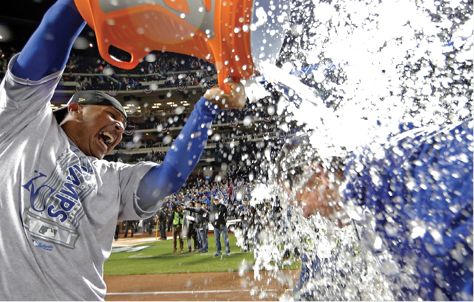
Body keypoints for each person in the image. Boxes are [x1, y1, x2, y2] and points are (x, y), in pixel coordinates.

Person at [0, 0, 246, 299]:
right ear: (75, 108)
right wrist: (84, 4)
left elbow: (168, 178)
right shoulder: (23, 124)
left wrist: (205, 110)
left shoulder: (114, 177)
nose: (119, 128)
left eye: (124, 125)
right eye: (112, 115)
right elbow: (56, 30)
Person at [279, 119, 473, 300]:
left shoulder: (373, 183)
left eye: (300, 200)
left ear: (318, 175)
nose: (305, 213)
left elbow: (437, 271)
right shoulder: (376, 160)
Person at [210, 192, 231, 256]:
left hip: (222, 225)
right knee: (217, 240)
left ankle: (227, 251)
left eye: (216, 200)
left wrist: (222, 210)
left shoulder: (223, 206)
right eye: (214, 200)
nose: (215, 201)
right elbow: (211, 216)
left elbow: (226, 214)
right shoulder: (212, 207)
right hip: (216, 226)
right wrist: (213, 224)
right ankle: (218, 251)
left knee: (225, 238)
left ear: (219, 200)